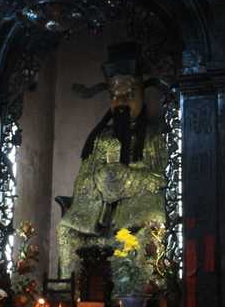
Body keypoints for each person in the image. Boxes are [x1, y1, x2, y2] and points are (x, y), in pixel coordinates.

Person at [56, 42, 167, 277]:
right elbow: (82, 182)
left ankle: (140, 292)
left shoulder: (154, 135)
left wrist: (127, 178)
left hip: (137, 213)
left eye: (129, 95)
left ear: (142, 94)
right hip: (99, 215)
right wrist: (101, 180)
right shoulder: (101, 139)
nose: (121, 102)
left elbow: (163, 178)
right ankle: (70, 290)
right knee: (66, 228)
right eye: (115, 96)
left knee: (154, 222)